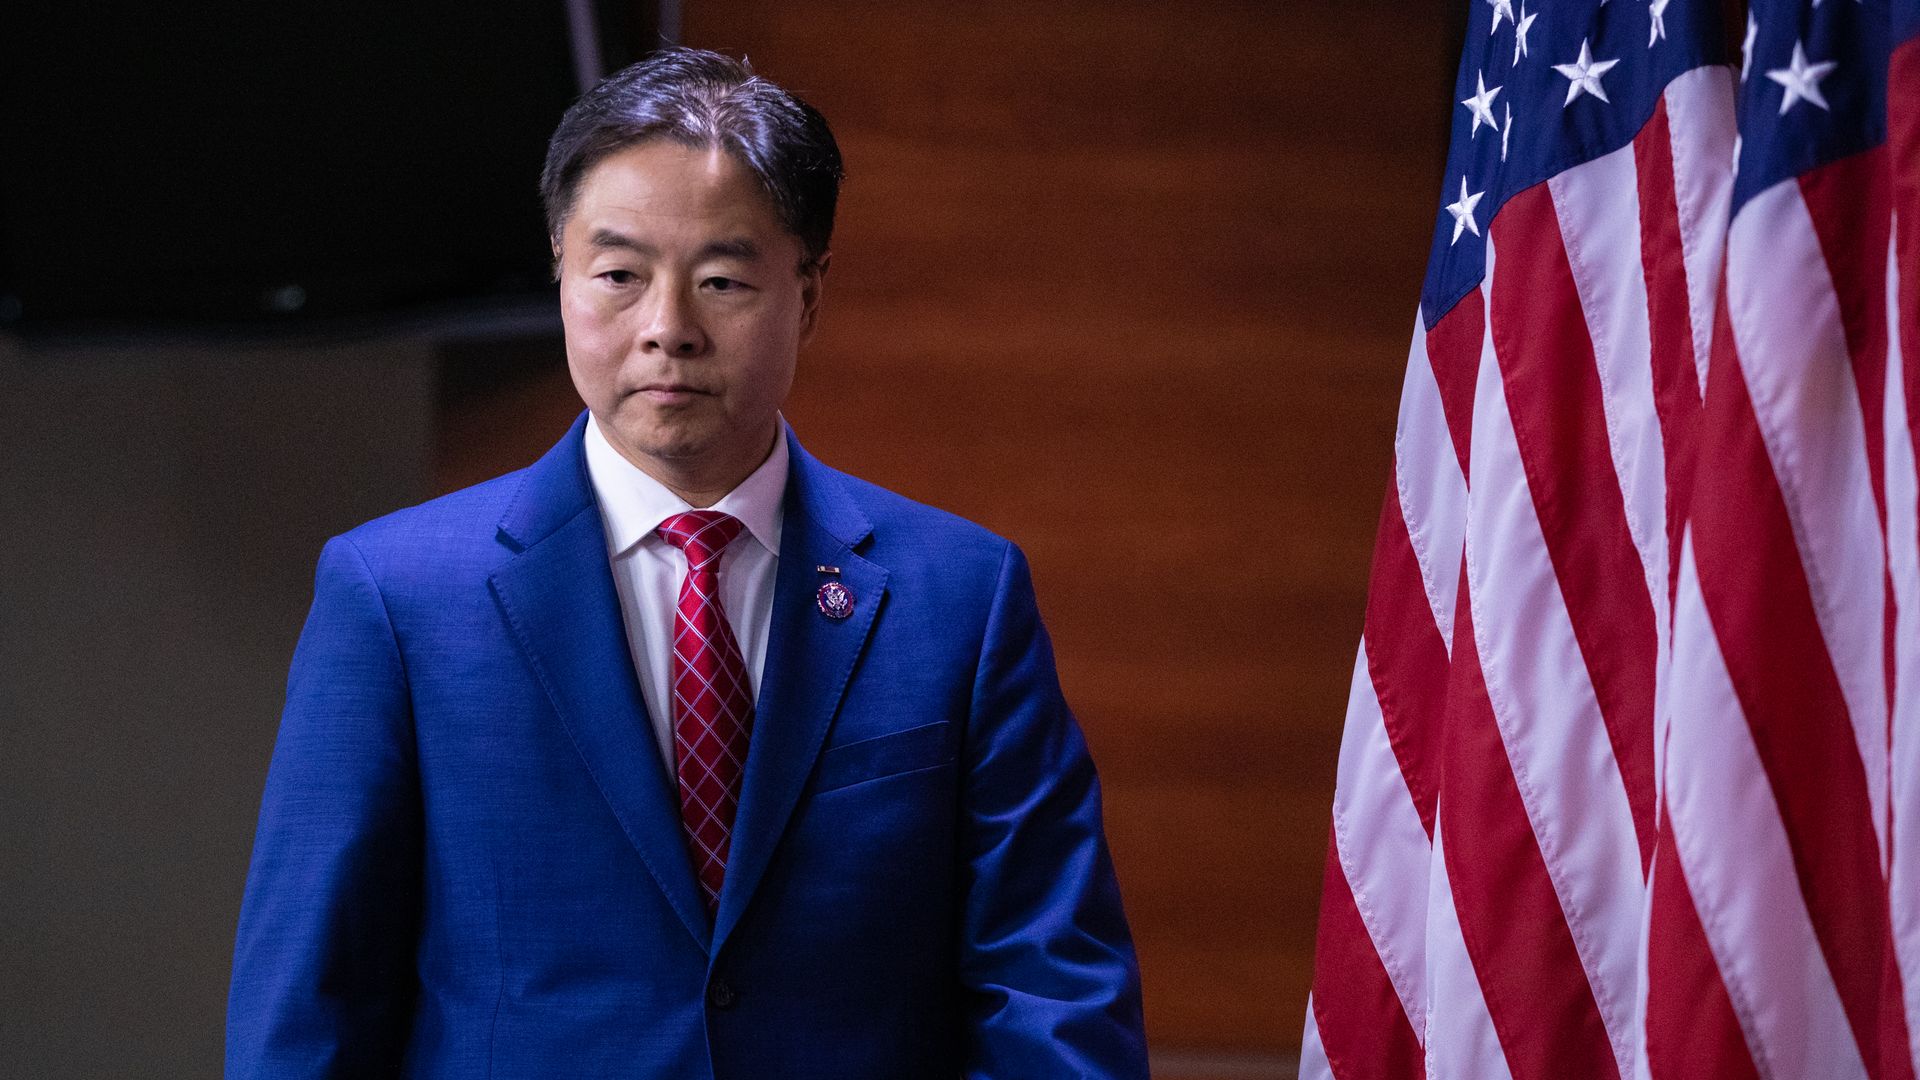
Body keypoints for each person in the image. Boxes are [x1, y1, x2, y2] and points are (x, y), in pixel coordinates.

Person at [225, 47, 1147, 1078]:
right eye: (619, 276)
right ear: (562, 274)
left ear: (809, 294)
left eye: (722, 281)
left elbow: (1052, 989)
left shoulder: (962, 596)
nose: (668, 330)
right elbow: (308, 1009)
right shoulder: (395, 597)